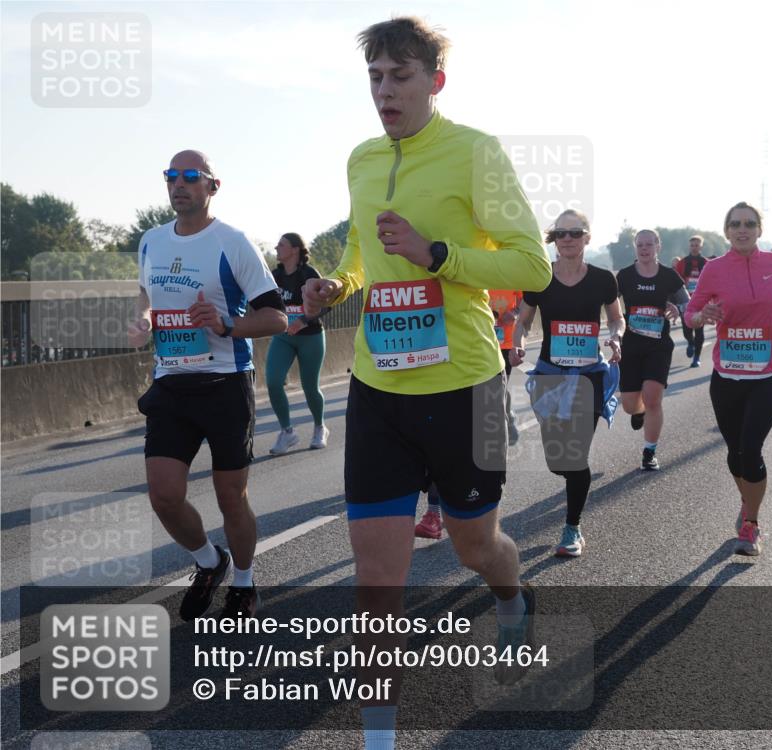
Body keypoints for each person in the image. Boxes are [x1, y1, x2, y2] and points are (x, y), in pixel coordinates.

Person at [302, 18, 551, 750]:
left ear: (434, 81)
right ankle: (380, 739)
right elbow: (358, 246)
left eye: (400, 76)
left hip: (467, 386)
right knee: (376, 579)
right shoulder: (360, 158)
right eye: (375, 77)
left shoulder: (475, 153)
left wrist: (437, 253)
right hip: (379, 388)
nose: (384, 91)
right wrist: (336, 283)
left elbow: (530, 266)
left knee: (479, 546)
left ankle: (512, 599)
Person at [126, 150, 287, 620]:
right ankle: (208, 561)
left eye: (190, 177)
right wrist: (142, 319)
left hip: (224, 384)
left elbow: (276, 316)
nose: (179, 184)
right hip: (171, 384)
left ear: (212, 187)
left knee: (229, 496)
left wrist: (226, 325)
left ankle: (243, 580)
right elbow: (145, 294)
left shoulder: (232, 243)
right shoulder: (151, 241)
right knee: (164, 494)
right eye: (171, 176)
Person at [684, 201, 772, 556]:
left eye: (749, 223)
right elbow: (690, 315)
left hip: (768, 375)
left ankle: (751, 524)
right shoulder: (714, 270)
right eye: (735, 224)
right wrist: (704, 314)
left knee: (751, 449)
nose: (742, 229)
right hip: (727, 376)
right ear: (727, 231)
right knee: (734, 455)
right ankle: (747, 502)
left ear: (759, 229)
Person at [510, 209, 622, 557]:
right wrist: (517, 342)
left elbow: (617, 319)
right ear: (554, 239)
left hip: (589, 376)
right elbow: (523, 321)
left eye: (576, 233)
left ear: (588, 237)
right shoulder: (540, 277)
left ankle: (572, 528)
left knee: (574, 457)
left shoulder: (604, 279)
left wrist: (617, 338)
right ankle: (573, 483)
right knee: (557, 460)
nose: (568, 239)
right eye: (561, 234)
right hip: (550, 376)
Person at [616, 229, 687, 470]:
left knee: (653, 397)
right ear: (635, 248)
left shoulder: (669, 276)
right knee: (629, 405)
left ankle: (649, 452)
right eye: (640, 245)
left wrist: (679, 309)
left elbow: (687, 302)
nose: (644, 249)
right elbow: (608, 303)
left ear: (658, 246)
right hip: (631, 345)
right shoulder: (624, 276)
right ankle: (639, 412)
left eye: (649, 244)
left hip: (659, 346)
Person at [266, 233, 330, 455]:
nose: (276, 247)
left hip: (310, 337)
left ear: (294, 250)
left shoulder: (309, 274)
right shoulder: (274, 276)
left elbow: (327, 304)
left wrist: (302, 321)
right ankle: (287, 432)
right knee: (273, 382)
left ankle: (320, 427)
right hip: (283, 337)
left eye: (281, 244)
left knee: (310, 387)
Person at [489, 289, 523, 444]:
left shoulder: (513, 270)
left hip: (506, 343)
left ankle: (506, 418)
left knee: (499, 385)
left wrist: (515, 314)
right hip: (479, 340)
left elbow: (526, 303)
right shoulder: (475, 267)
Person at [673, 235, 707, 366]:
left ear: (701, 246)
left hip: (701, 301)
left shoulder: (706, 263)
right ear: (689, 246)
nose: (694, 248)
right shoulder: (682, 263)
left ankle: (696, 358)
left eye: (697, 245)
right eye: (692, 245)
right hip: (685, 300)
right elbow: (676, 283)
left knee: (699, 329)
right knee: (687, 329)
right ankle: (690, 342)